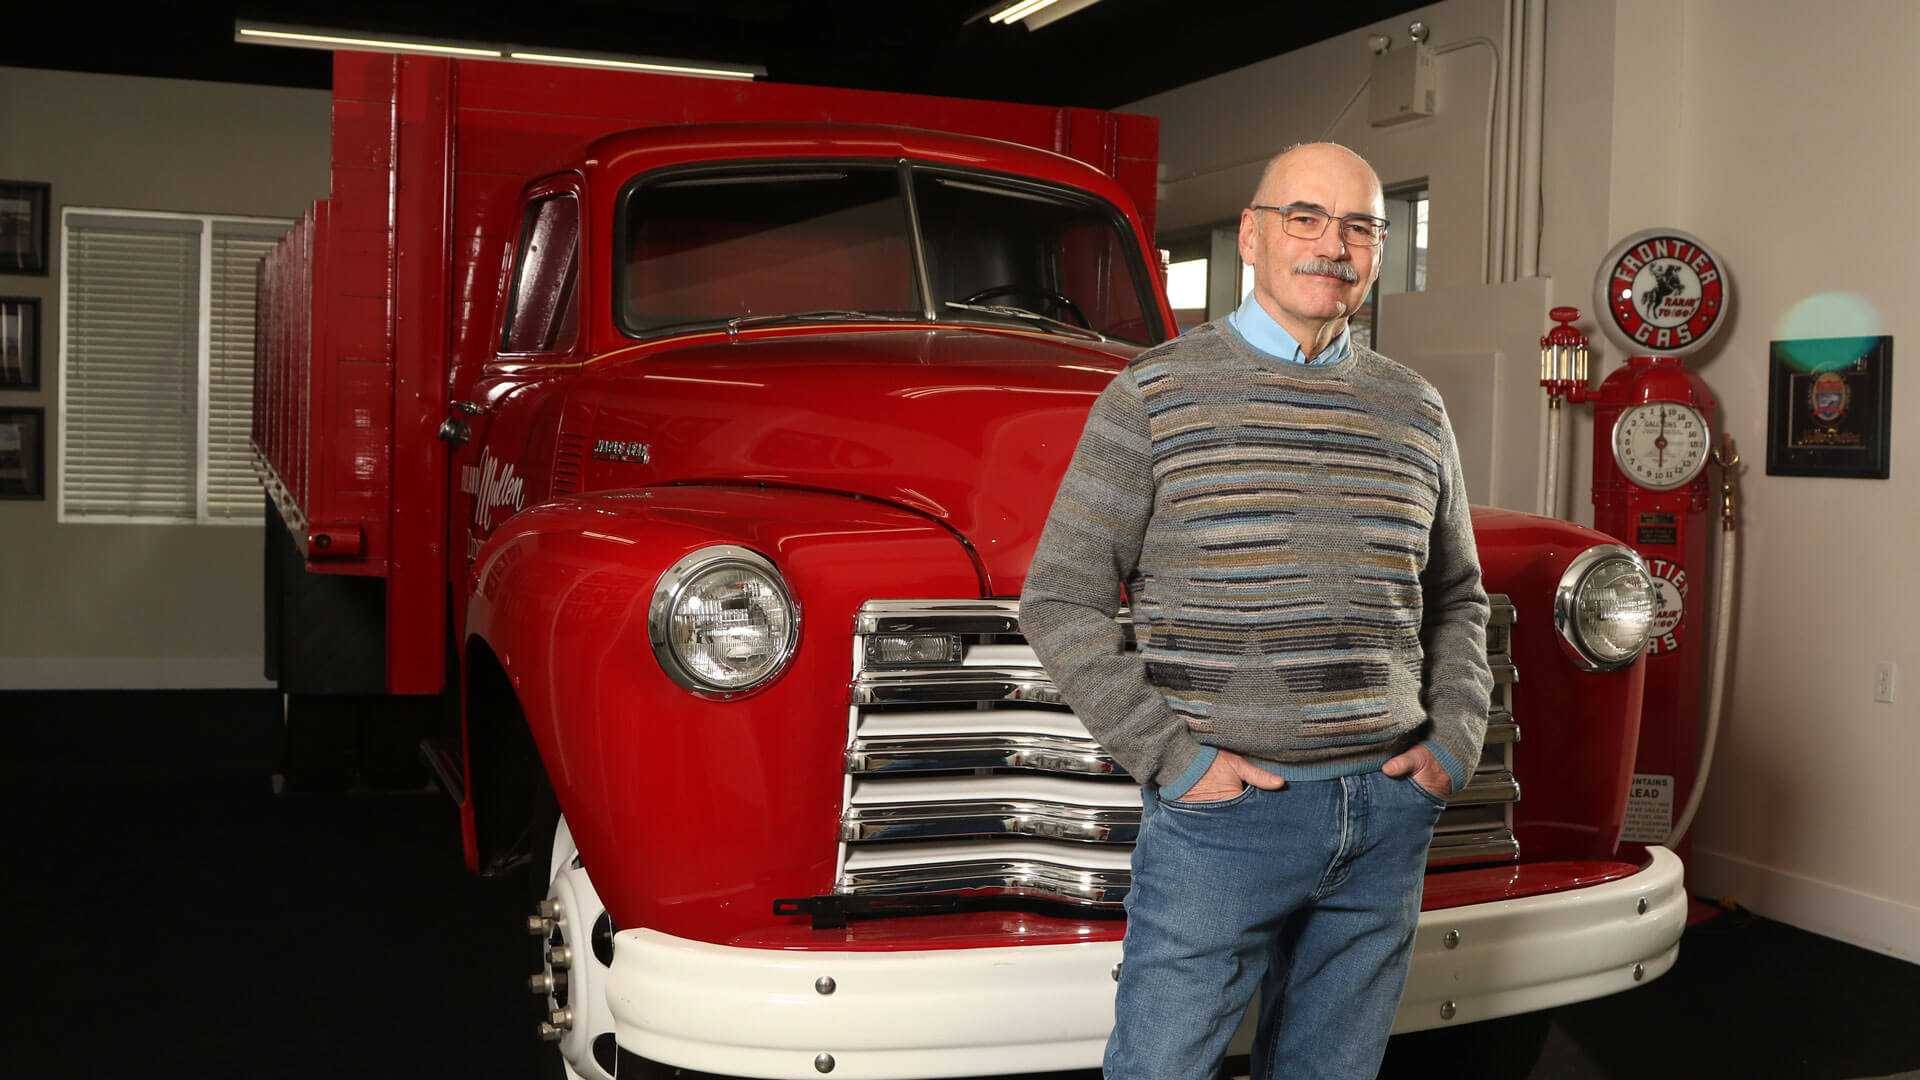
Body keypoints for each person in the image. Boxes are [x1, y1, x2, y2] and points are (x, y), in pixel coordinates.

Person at [1019, 142, 1494, 1080]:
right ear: (1251, 236)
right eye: (1305, 218)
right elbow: (1061, 597)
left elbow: (1457, 596)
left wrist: (1454, 746)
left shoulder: (1415, 409)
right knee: (1161, 1069)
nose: (1333, 246)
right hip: (1223, 822)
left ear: (1380, 249)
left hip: (1386, 810)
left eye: (1361, 226)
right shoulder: (1152, 395)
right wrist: (1175, 761)